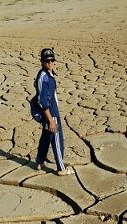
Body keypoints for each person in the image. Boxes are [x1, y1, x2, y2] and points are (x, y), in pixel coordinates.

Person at [33, 48, 74, 176]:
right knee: (56, 139)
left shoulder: (46, 74)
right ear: (42, 62)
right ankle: (61, 168)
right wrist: (51, 120)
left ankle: (40, 161)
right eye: (47, 61)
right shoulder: (44, 78)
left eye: (52, 60)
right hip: (51, 114)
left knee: (45, 137)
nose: (50, 63)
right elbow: (43, 102)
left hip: (50, 113)